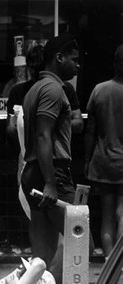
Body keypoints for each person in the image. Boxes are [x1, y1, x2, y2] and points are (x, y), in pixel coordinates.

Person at [20, 35, 80, 278]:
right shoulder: (54, 89)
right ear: (59, 58)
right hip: (51, 172)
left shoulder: (34, 89)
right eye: (74, 60)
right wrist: (51, 182)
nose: (78, 65)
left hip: (34, 171)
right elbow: (44, 136)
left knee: (43, 255)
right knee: (81, 239)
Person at [85, 44, 123, 258]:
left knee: (107, 215)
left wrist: (88, 159)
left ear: (115, 64)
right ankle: (120, 265)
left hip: (103, 161)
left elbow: (90, 130)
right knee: (122, 214)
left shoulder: (99, 90)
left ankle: (109, 261)